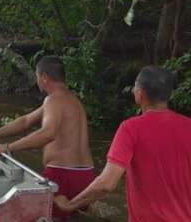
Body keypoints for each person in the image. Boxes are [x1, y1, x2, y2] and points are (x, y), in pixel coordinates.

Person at [54, 66, 191, 221]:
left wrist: (70, 205)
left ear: (140, 94)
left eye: (135, 88)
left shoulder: (131, 129)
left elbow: (106, 183)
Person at [0, 56, 94, 221]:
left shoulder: (53, 100)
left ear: (44, 77)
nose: (37, 81)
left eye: (37, 77)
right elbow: (25, 121)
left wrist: (8, 147)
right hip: (85, 175)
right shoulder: (70, 100)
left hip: (63, 175)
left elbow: (48, 133)